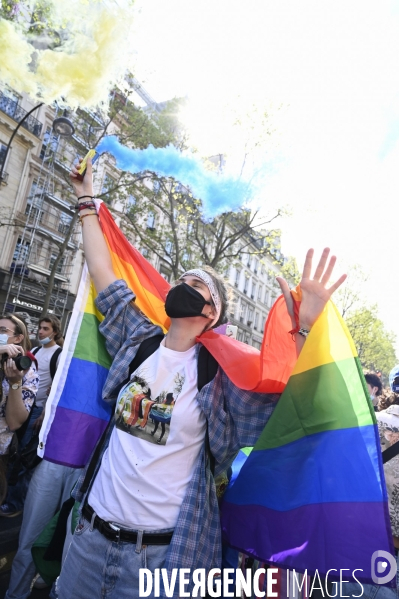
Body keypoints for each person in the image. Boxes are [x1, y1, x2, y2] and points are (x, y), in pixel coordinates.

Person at [54, 157, 346, 599]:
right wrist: (85, 201)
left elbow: (300, 409)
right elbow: (103, 273)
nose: (183, 283)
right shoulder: (139, 339)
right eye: (183, 278)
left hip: (157, 561)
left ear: (211, 313)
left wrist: (306, 328)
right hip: (88, 538)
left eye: (198, 283)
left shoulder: (221, 380)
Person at [2, 316, 63, 518]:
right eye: (39, 327)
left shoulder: (55, 355)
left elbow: (56, 386)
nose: (41, 332)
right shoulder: (36, 351)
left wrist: (44, 413)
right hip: (27, 404)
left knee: (24, 457)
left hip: (34, 409)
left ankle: (14, 502)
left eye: (46, 328)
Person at [0, 313, 39, 516]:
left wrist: (15, 382)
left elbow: (15, 422)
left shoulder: (26, 370)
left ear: (17, 339)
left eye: (3, 331)